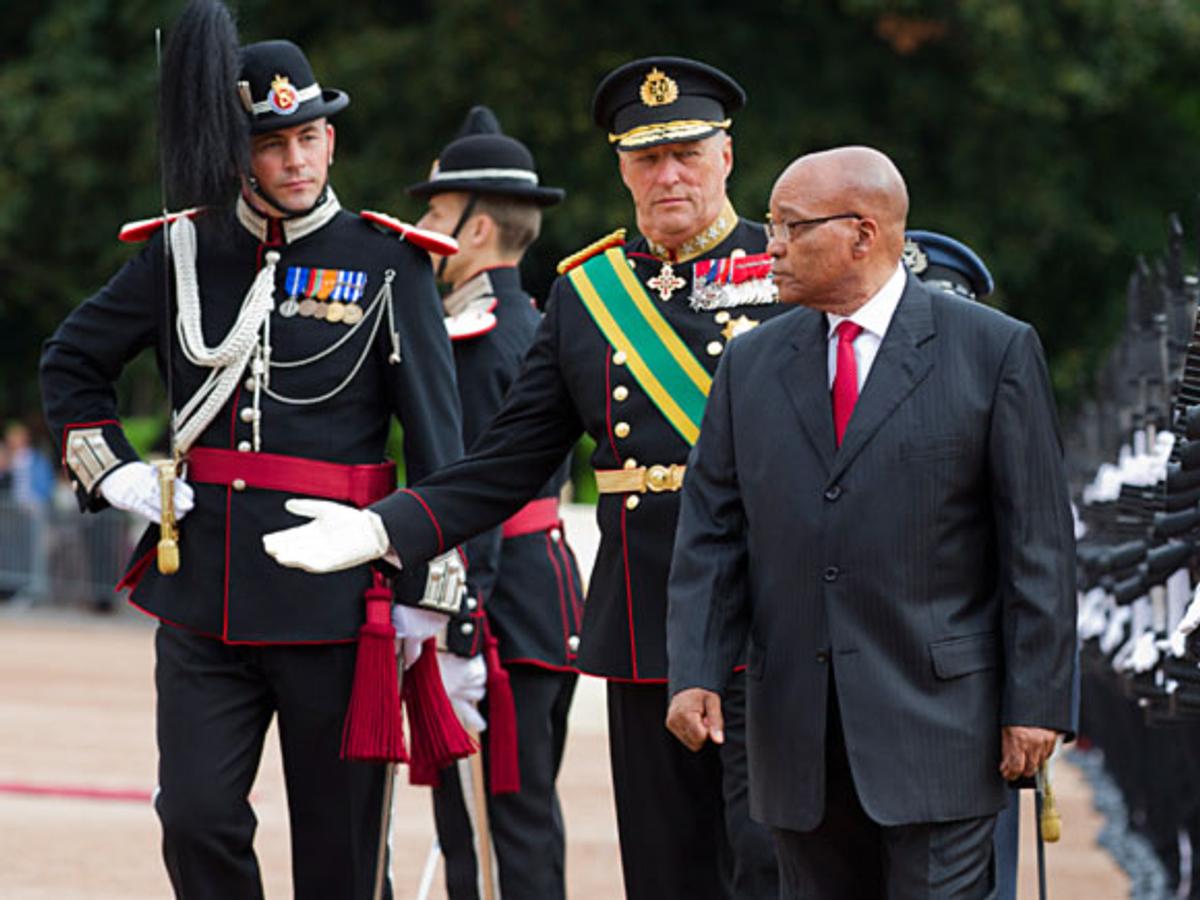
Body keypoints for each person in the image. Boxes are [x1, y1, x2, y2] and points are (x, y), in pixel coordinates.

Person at [265, 56, 784, 899]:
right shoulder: (591, 294)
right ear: (623, 168)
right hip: (649, 618)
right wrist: (382, 528)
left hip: (773, 615)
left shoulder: (788, 269)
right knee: (668, 873)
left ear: (726, 155)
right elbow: (504, 463)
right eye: (648, 157)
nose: (669, 175)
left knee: (770, 863)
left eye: (687, 153)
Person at [38, 2, 463, 897]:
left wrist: (430, 591)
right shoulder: (183, 249)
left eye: (309, 137)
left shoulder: (389, 263)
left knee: (342, 852)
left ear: (331, 141)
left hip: (338, 599)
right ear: (238, 154)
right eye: (273, 144)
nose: (296, 160)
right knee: (196, 817)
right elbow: (72, 361)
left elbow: (439, 446)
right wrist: (114, 470)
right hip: (204, 591)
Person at [665, 146, 1077, 899]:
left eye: (791, 227)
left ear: (862, 233)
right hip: (797, 737)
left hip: (942, 728)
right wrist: (695, 670)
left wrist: (1039, 703)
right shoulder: (750, 365)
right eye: (771, 226)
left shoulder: (992, 351)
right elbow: (712, 534)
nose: (770, 246)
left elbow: (1037, 545)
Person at [406, 105, 584, 900]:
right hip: (540, 593)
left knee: (485, 825)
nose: (421, 231)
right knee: (522, 817)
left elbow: (475, 492)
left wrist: (459, 618)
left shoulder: (476, 342)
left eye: (436, 215)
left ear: (477, 230)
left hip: (497, 601)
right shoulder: (532, 323)